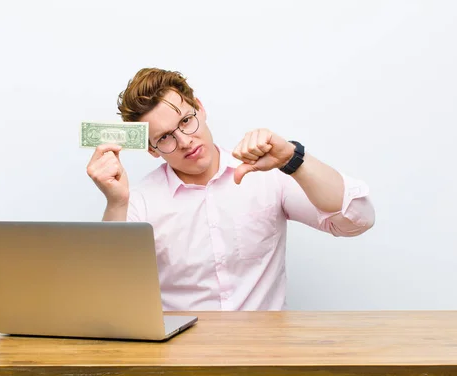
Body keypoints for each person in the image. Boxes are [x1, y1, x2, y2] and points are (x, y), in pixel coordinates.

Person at [86, 68, 375, 311]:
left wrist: (292, 158)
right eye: (165, 138)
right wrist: (116, 202)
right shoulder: (139, 201)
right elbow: (109, 293)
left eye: (186, 121)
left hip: (265, 358)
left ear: (200, 107)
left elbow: (356, 220)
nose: (185, 141)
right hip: (182, 361)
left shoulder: (267, 173)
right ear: (151, 150)